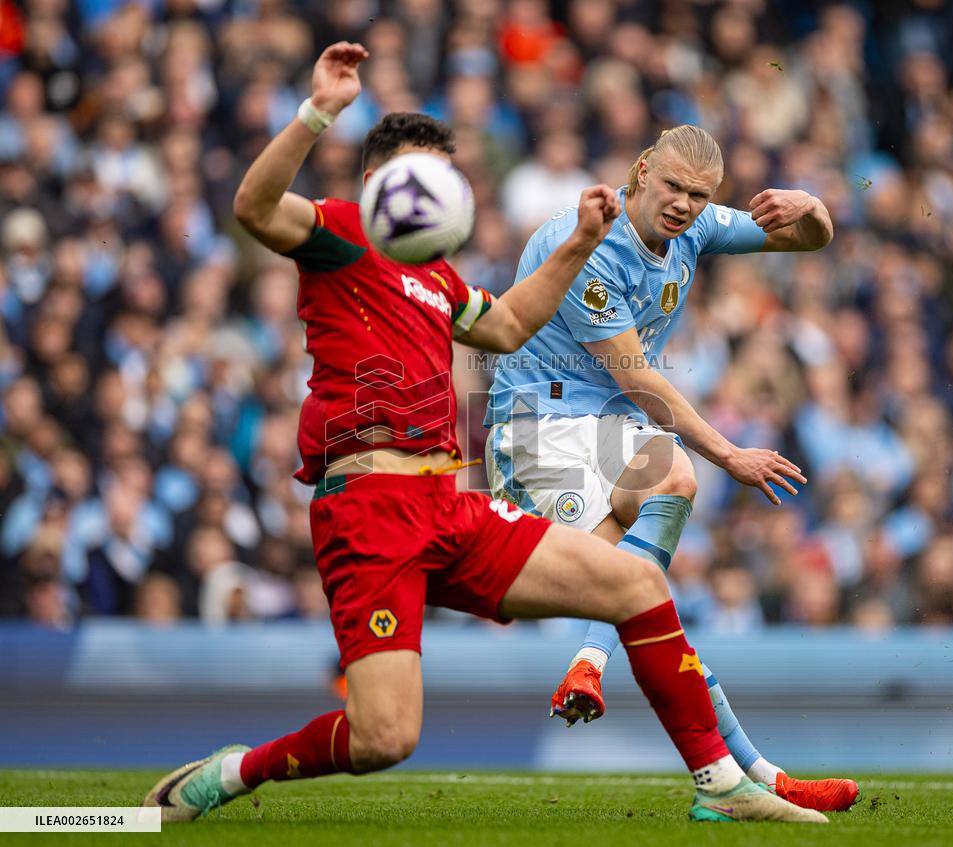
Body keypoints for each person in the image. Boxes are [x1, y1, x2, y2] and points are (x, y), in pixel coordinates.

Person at [142, 44, 826, 825]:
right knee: (384, 736)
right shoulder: (339, 234)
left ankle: (719, 780)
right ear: (376, 183)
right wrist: (317, 113)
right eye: (418, 178)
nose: (436, 197)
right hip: (371, 508)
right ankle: (232, 772)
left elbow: (504, 326)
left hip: (450, 502)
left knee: (637, 583)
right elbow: (254, 208)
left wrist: (579, 239)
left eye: (445, 181)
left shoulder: (438, 278)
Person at [484, 125, 858, 811]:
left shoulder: (695, 227)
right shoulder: (591, 243)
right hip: (539, 428)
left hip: (606, 427)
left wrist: (812, 207)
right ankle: (752, 774)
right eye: (674, 187)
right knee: (638, 585)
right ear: (641, 171)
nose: (685, 204)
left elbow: (810, 240)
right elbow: (637, 379)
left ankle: (732, 773)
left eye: (700, 195)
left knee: (654, 561)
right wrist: (730, 453)